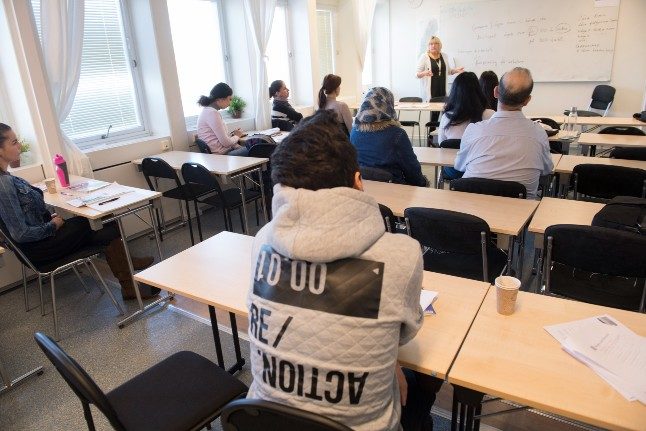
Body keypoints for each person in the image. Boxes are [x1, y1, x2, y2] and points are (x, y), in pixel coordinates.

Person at [246, 109, 441, 431]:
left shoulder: (263, 240)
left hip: (266, 421)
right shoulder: (402, 254)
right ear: (357, 181)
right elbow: (403, 335)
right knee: (421, 383)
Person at [0, 123, 157, 299]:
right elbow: (21, 233)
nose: (19, 146)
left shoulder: (6, 177)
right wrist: (51, 225)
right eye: (14, 142)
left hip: (43, 240)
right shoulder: (3, 184)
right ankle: (128, 276)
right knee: (102, 224)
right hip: (41, 249)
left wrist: (47, 219)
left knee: (104, 224)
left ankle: (127, 274)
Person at [454, 68, 554, 199]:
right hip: (520, 215)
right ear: (527, 100)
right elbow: (547, 170)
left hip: (471, 212)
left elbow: (459, 166)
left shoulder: (473, 130)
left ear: (496, 92)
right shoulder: (538, 133)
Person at [350, 87, 427, 187]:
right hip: (394, 189)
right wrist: (423, 182)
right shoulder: (397, 134)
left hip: (363, 188)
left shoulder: (354, 132)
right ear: (389, 106)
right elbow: (412, 170)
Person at [196, 83, 248, 156]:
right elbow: (226, 143)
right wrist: (237, 135)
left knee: (250, 148)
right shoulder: (212, 113)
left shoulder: (207, 111)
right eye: (229, 99)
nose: (230, 103)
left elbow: (223, 140)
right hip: (222, 156)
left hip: (222, 153)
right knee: (257, 148)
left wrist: (238, 145)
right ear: (220, 99)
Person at [415, 36, 463, 103]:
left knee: (443, 111)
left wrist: (456, 70)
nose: (433, 46)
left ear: (439, 45)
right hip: (431, 92)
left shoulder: (444, 56)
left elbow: (448, 71)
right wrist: (424, 73)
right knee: (434, 112)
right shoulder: (424, 57)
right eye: (431, 44)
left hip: (443, 90)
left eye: (436, 43)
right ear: (428, 46)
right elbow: (416, 75)